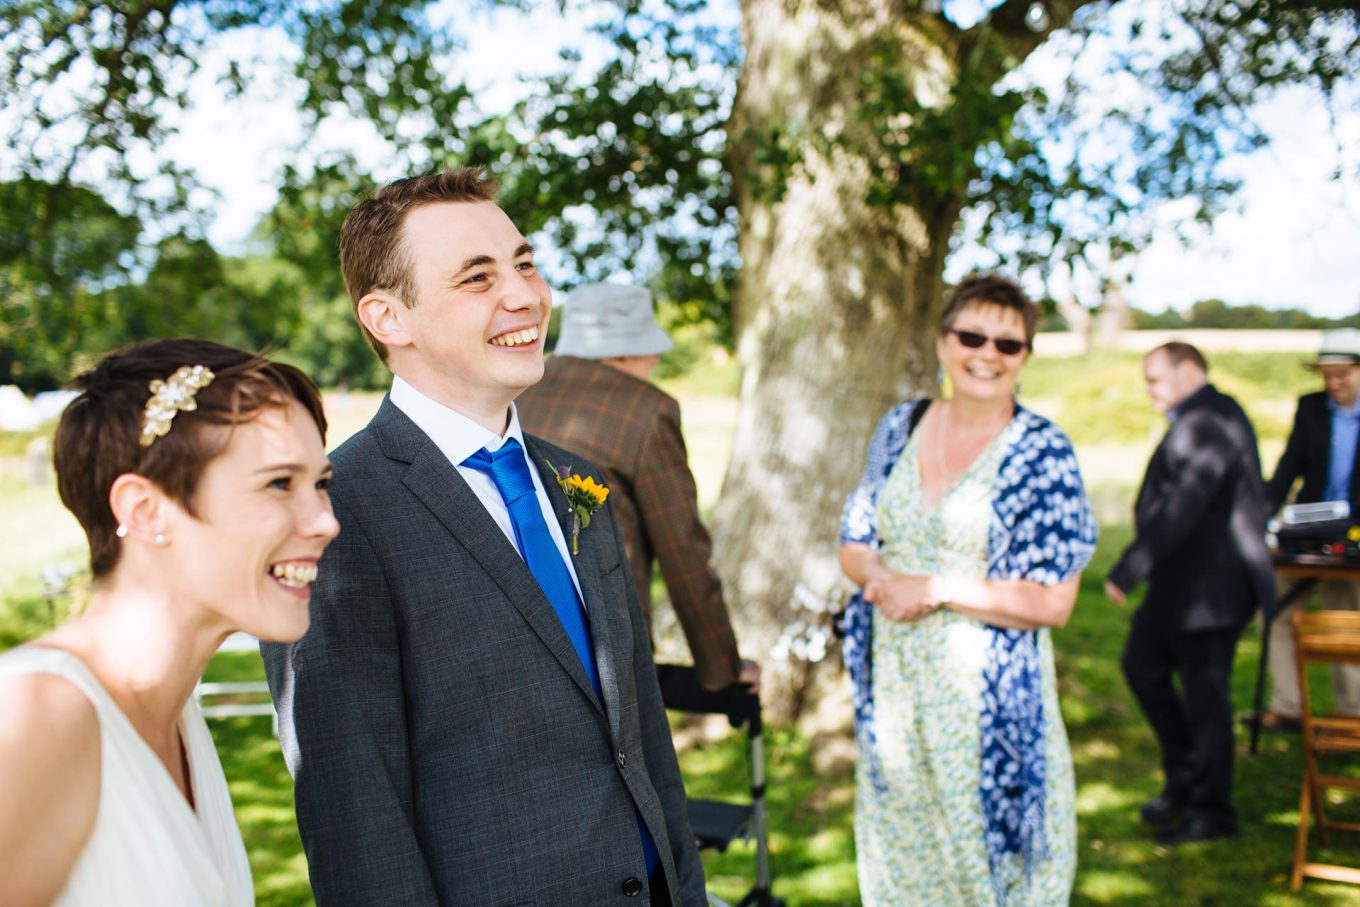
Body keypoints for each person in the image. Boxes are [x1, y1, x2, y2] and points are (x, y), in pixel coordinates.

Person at [261, 168, 704, 906]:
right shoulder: (336, 517)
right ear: (388, 318)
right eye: (477, 277)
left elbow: (644, 733)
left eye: (525, 264)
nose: (526, 295)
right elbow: (355, 817)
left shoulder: (578, 482)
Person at [0, 338, 339, 905]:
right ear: (146, 511)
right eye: (279, 483)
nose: (326, 522)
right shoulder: (40, 716)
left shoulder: (177, 717)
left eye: (321, 484)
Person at [839, 274, 1097, 907]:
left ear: (1026, 357)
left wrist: (934, 588)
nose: (987, 354)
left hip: (988, 703)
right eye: (972, 336)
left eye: (1008, 344)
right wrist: (886, 584)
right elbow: (854, 543)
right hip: (893, 690)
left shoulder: (1042, 452)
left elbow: (1053, 602)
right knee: (904, 863)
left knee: (993, 873)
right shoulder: (900, 425)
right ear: (942, 342)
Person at [517, 282, 760, 692]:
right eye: (649, 348)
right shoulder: (647, 409)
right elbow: (681, 548)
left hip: (515, 630)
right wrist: (723, 668)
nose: (656, 358)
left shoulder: (517, 392)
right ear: (623, 351)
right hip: (606, 647)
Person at [1105, 342, 1274, 844]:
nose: (1148, 390)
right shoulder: (1199, 416)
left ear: (1191, 371)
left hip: (1211, 590)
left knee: (1207, 701)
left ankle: (1212, 812)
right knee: (1142, 666)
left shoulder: (1211, 420)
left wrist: (1130, 567)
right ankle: (1184, 777)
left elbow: (1186, 502)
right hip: (1176, 587)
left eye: (1155, 379)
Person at [1254, 329, 1360, 730]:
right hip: (1308, 530)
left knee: (1343, 617)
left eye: (1342, 375)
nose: (1333, 383)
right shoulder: (1311, 407)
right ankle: (1288, 706)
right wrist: (1262, 516)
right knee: (1275, 610)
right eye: (1326, 375)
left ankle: (1352, 712)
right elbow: (1289, 467)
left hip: (1353, 540)